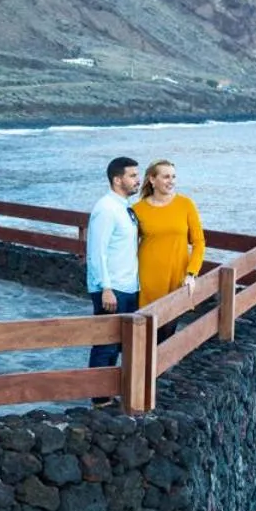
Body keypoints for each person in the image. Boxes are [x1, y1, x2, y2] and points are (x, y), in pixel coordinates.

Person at [132, 159, 206, 338]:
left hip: (177, 278)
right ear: (152, 179)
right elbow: (129, 246)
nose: (171, 181)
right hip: (147, 279)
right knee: (148, 334)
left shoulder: (185, 204)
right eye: (166, 177)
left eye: (173, 177)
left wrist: (191, 273)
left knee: (168, 332)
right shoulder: (137, 209)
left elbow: (199, 242)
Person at [85, 156, 142, 383]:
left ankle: (108, 392)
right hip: (111, 288)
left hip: (128, 286)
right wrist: (106, 288)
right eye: (133, 176)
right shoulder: (106, 209)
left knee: (119, 345)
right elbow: (97, 252)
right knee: (105, 345)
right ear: (117, 180)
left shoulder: (124, 207)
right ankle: (99, 396)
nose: (138, 180)